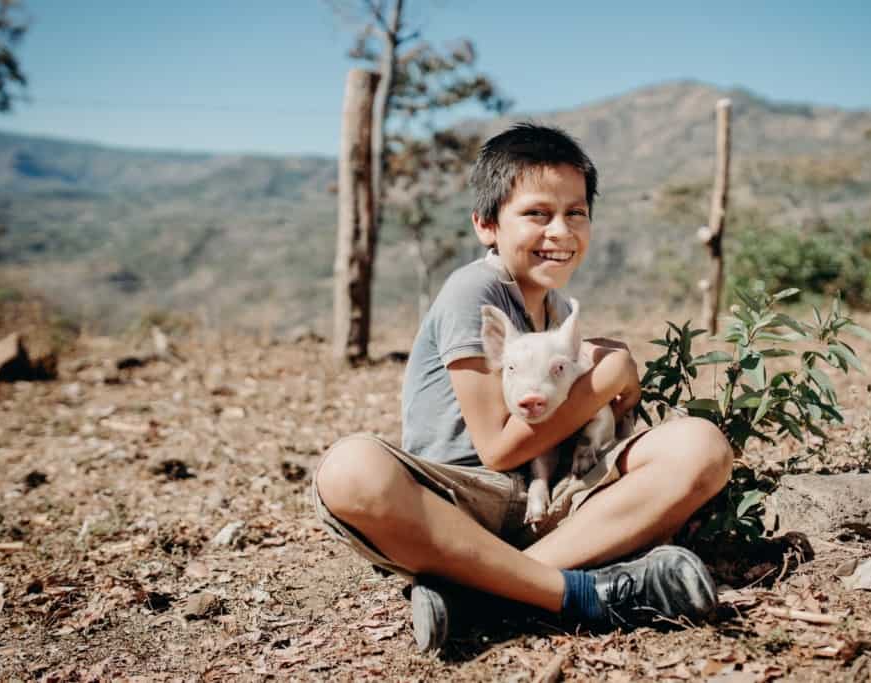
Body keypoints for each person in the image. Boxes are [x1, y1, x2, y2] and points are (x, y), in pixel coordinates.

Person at [312, 123, 734, 652]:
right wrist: (607, 377)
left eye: (575, 213)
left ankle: (489, 594)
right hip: (460, 503)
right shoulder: (475, 290)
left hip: (550, 495)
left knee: (701, 447)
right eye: (537, 214)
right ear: (486, 225)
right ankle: (580, 593)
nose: (559, 231)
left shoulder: (555, 311)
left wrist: (604, 380)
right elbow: (497, 448)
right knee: (350, 470)